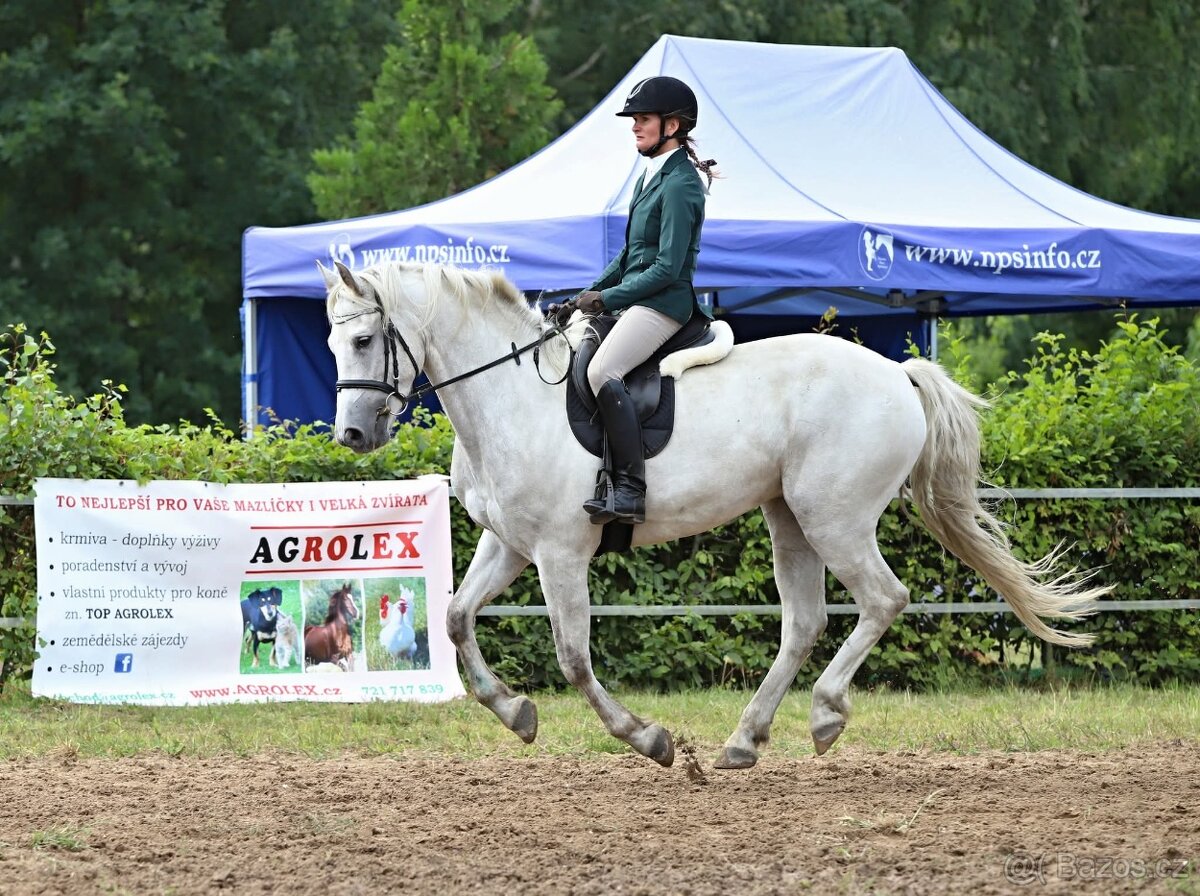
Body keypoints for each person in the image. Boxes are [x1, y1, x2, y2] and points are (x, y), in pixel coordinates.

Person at [558, 75, 717, 526]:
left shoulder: (682, 184)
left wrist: (608, 297)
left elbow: (666, 268)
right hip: (640, 298)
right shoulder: (651, 177)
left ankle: (629, 488)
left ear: (672, 125)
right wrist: (583, 297)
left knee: (602, 369)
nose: (634, 127)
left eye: (642, 119)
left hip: (666, 304)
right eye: (634, 120)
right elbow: (630, 254)